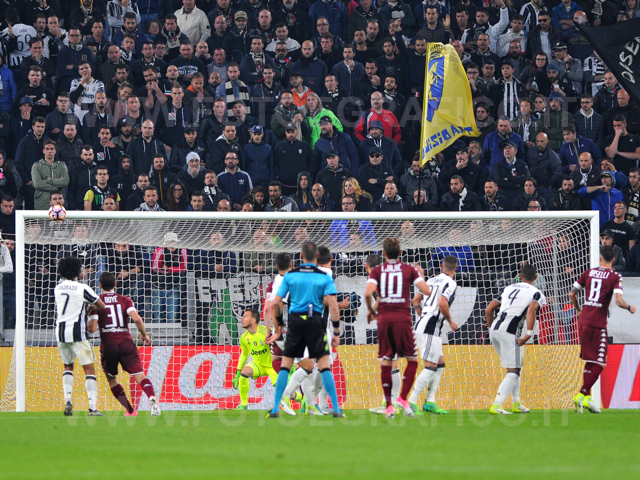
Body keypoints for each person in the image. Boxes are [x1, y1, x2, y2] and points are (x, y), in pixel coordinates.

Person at [266, 241, 344, 418]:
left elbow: (276, 303)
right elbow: (333, 306)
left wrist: (278, 327)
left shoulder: (291, 275)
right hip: (316, 323)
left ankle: (277, 408)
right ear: (317, 257)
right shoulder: (324, 276)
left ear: (301, 256)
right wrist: (337, 331)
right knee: (324, 366)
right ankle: (336, 409)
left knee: (286, 366)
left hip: (295, 323)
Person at [364, 237, 432, 419]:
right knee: (412, 359)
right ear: (400, 253)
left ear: (383, 253)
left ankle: (388, 405)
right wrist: (421, 276)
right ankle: (402, 398)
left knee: (386, 360)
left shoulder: (377, 270)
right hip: (403, 319)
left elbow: (368, 293)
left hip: (384, 320)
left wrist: (371, 310)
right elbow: (427, 291)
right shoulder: (408, 269)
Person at [569, 245, 636, 414]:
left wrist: (578, 309)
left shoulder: (589, 272)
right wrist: (630, 307)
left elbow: (571, 294)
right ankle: (582, 393)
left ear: (600, 258)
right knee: (600, 362)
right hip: (597, 323)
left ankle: (588, 398)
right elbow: (618, 301)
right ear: (613, 259)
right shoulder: (615, 276)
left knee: (590, 360)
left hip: (583, 320)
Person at [89, 271, 160, 416]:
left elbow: (93, 328)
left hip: (109, 345)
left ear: (100, 285)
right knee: (140, 375)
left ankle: (130, 410)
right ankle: (152, 399)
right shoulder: (125, 300)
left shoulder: (97, 302)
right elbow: (137, 319)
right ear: (115, 284)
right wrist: (144, 335)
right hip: (126, 342)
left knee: (112, 379)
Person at [485, 264, 546, 414]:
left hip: (495, 330)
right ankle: (497, 405)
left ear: (520, 276)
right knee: (514, 370)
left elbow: (488, 309)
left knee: (514, 368)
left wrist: (491, 327)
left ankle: (516, 403)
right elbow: (532, 310)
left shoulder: (508, 288)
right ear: (536, 278)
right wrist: (529, 333)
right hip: (511, 332)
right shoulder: (536, 292)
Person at [54, 256, 106, 416]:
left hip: (61, 333)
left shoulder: (58, 288)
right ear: (77, 271)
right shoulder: (82, 288)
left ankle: (67, 401)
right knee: (89, 369)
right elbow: (101, 305)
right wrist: (90, 308)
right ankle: (92, 408)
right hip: (78, 333)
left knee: (68, 366)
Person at [408, 255, 459, 415]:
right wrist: (450, 321)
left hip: (426, 324)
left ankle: (430, 401)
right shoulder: (451, 283)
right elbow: (442, 302)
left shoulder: (430, 280)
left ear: (442, 267)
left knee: (439, 364)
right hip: (430, 327)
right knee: (430, 367)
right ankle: (411, 402)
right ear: (456, 268)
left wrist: (420, 312)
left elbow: (415, 299)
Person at [232, 308, 294, 413]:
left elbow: (281, 347)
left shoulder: (266, 331)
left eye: (245, 316)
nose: (242, 319)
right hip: (259, 364)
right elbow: (244, 354)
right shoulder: (243, 337)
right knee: (244, 374)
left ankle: (304, 401)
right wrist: (238, 371)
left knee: (288, 392)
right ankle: (243, 405)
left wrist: (288, 364)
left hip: (272, 366)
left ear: (253, 320)